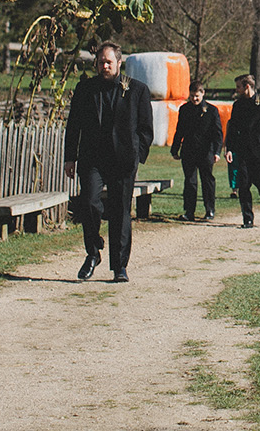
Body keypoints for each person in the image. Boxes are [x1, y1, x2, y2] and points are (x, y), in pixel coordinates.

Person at [64, 42, 155, 283]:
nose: (104, 66)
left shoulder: (136, 90)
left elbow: (146, 129)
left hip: (122, 161)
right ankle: (93, 253)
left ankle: (119, 266)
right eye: (101, 62)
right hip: (92, 159)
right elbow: (73, 126)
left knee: (120, 213)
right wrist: (70, 158)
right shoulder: (85, 90)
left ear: (118, 63)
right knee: (90, 204)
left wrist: (137, 156)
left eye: (109, 62)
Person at [224, 73, 260, 228]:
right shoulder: (238, 105)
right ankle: (247, 218)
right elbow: (232, 128)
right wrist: (229, 149)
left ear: (247, 86)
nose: (237, 90)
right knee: (244, 185)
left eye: (238, 87)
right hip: (243, 151)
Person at [171, 81, 223, 220]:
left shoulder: (211, 111)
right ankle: (189, 211)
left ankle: (209, 210)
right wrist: (175, 149)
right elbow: (179, 130)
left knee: (207, 182)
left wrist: (217, 152)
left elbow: (218, 133)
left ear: (203, 94)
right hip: (189, 151)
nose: (194, 99)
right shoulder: (184, 109)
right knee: (190, 182)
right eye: (192, 96)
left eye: (197, 96)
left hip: (206, 152)